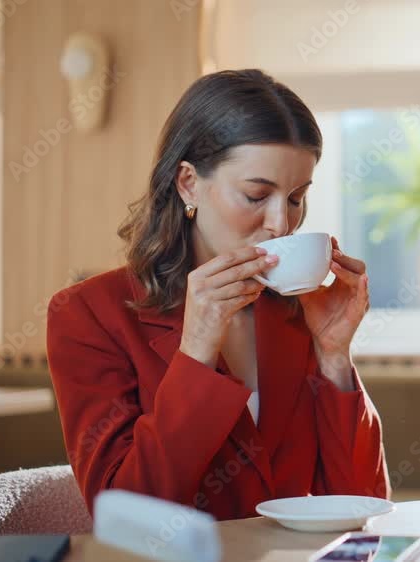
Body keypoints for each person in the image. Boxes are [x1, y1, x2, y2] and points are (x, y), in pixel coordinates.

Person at [46, 69, 389, 520]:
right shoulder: (88, 315)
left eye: (295, 198)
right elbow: (123, 514)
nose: (281, 224)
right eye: (256, 195)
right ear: (188, 182)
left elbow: (363, 507)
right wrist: (196, 354)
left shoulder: (297, 313)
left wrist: (334, 357)